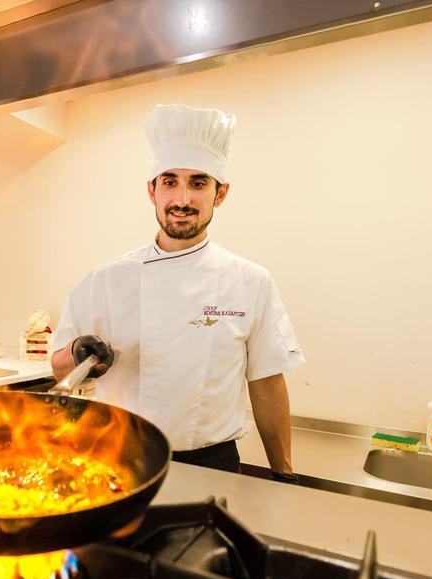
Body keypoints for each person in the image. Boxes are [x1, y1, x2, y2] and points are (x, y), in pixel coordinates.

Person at [51, 104, 304, 480]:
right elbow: (58, 369)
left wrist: (283, 473)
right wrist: (75, 353)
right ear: (151, 191)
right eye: (169, 181)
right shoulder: (105, 279)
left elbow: (266, 382)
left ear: (221, 194)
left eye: (198, 183)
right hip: (119, 458)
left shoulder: (251, 281)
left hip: (213, 464)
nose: (182, 199)